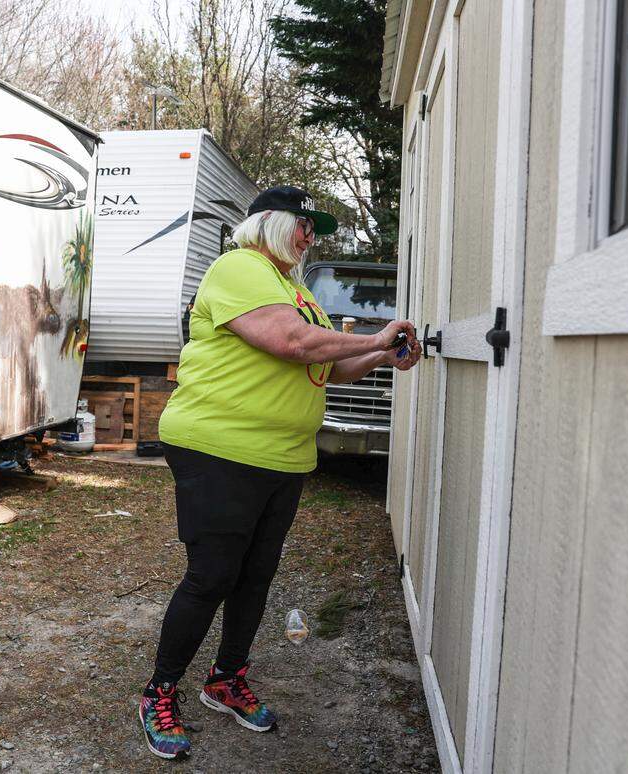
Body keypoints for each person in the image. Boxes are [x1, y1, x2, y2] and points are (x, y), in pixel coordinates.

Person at [138, 186, 422, 759]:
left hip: (282, 455)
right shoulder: (238, 269)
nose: (309, 236)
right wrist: (373, 334)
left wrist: (380, 357)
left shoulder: (294, 291)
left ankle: (226, 678)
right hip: (220, 448)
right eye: (303, 224)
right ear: (268, 224)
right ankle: (158, 693)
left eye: (314, 230)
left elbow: (328, 365)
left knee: (255, 576)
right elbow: (291, 342)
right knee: (213, 575)